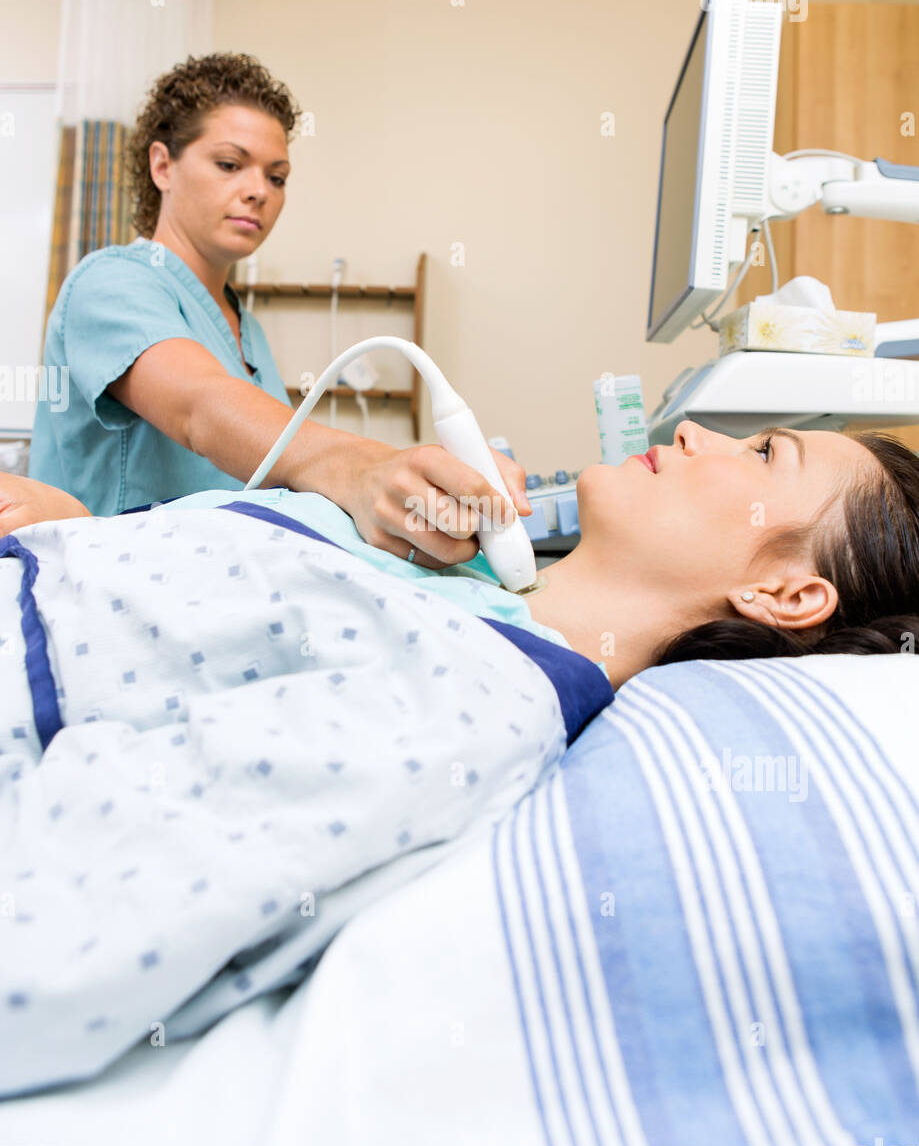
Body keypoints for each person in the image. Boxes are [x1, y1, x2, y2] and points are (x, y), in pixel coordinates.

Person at [27, 52, 530, 567]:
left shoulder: (248, 331)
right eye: (229, 164)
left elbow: (281, 465)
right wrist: (364, 467)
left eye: (277, 177)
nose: (257, 192)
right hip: (108, 600)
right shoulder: (110, 284)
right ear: (162, 165)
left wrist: (426, 482)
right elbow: (201, 408)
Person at [7, 419, 919, 689]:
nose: (692, 430)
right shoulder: (468, 587)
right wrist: (78, 532)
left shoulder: (481, 694)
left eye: (763, 454)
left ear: (785, 594)